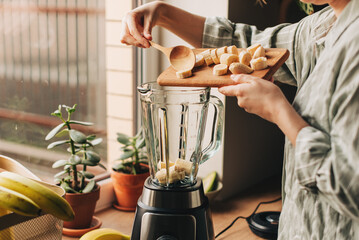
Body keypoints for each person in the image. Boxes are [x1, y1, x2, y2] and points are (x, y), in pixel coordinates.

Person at [120, 0, 359, 239]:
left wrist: (279, 111)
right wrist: (163, 13)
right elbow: (243, 47)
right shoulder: (326, 23)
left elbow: (350, 187)